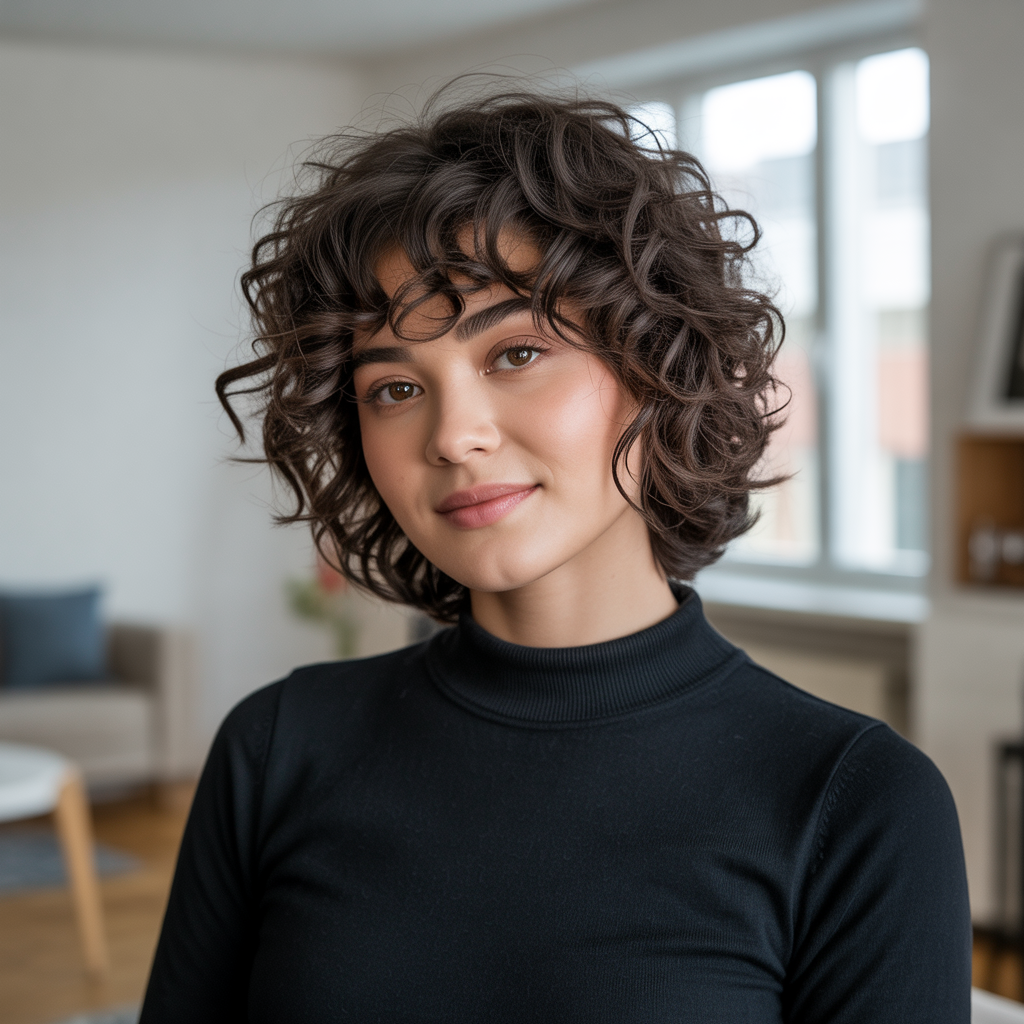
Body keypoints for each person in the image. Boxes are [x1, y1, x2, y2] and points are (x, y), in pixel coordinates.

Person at [140, 86, 971, 1023]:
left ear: (661, 368)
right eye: (396, 388)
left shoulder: (854, 801)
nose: (454, 437)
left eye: (516, 354)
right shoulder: (277, 746)